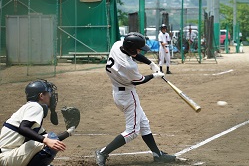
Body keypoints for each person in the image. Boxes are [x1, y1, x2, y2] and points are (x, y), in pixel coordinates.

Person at [95, 32, 176, 166]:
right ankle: (103, 152)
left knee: (144, 124)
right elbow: (140, 80)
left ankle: (157, 154)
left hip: (118, 91)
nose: (140, 51)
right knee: (132, 132)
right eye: (138, 49)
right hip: (127, 96)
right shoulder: (128, 66)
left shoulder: (118, 45)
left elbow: (134, 54)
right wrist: (154, 75)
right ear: (131, 49)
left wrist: (150, 63)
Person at [0, 79, 75, 166]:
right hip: (6, 157)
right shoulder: (35, 106)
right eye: (49, 93)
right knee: (49, 139)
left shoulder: (29, 110)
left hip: (9, 156)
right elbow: (23, 128)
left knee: (49, 139)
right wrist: (46, 140)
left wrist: (70, 131)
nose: (51, 96)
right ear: (41, 96)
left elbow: (51, 141)